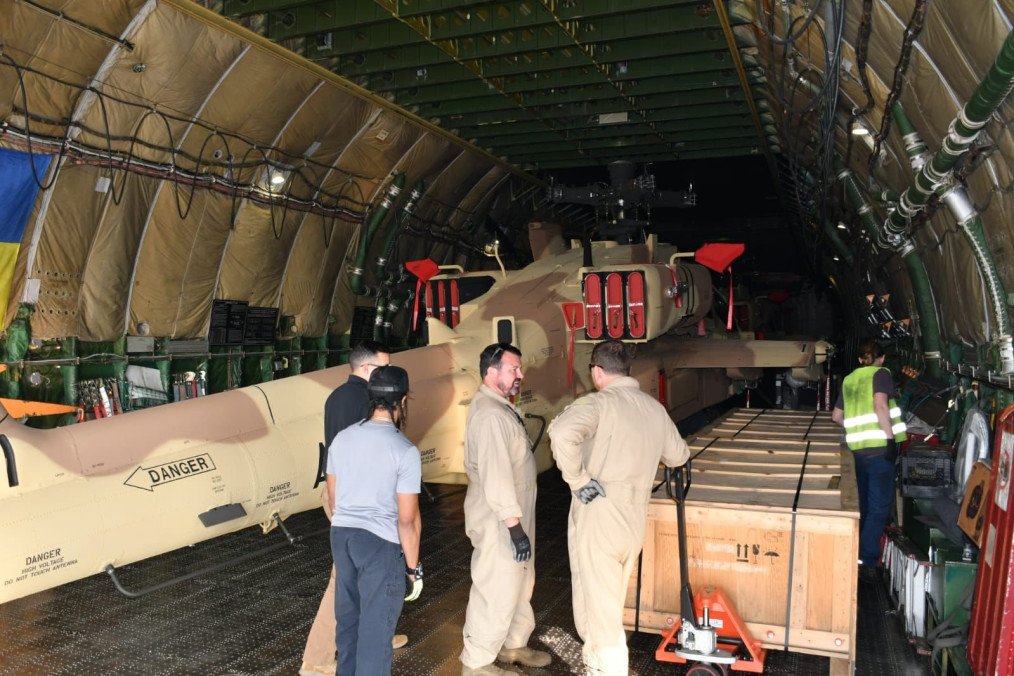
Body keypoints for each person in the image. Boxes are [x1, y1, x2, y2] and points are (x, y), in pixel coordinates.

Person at [547, 340, 689, 676]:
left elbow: (562, 432)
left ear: (597, 372)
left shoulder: (598, 404)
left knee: (601, 613)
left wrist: (578, 480)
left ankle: (609, 669)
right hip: (633, 519)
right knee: (607, 605)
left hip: (600, 515)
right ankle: (596, 664)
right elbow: (679, 456)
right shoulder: (654, 409)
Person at [301, 341, 407, 676]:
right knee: (344, 581)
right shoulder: (362, 401)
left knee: (360, 575)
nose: (388, 373)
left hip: (344, 495)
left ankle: (374, 633)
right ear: (365, 368)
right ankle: (317, 659)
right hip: (355, 501)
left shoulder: (338, 396)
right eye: (383, 367)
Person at [460, 343, 550, 676]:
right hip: (499, 517)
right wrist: (514, 528)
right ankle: (476, 662)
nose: (520, 374)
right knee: (496, 585)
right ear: (491, 371)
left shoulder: (500, 407)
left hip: (513, 512)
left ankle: (513, 643)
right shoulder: (490, 415)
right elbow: (496, 476)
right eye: (514, 369)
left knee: (520, 581)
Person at [327, 365, 422, 675]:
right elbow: (407, 520)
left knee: (348, 625)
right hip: (379, 545)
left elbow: (333, 498)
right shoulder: (404, 450)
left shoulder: (343, 438)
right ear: (403, 401)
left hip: (342, 537)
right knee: (375, 634)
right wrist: (413, 569)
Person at [831, 340, 907, 583]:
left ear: (859, 359)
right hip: (879, 450)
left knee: (864, 505)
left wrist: (857, 430)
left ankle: (857, 551)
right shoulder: (881, 374)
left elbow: (836, 417)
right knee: (879, 507)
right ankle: (867, 560)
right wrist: (889, 440)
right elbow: (880, 406)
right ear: (881, 358)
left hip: (858, 452)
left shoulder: (849, 379)